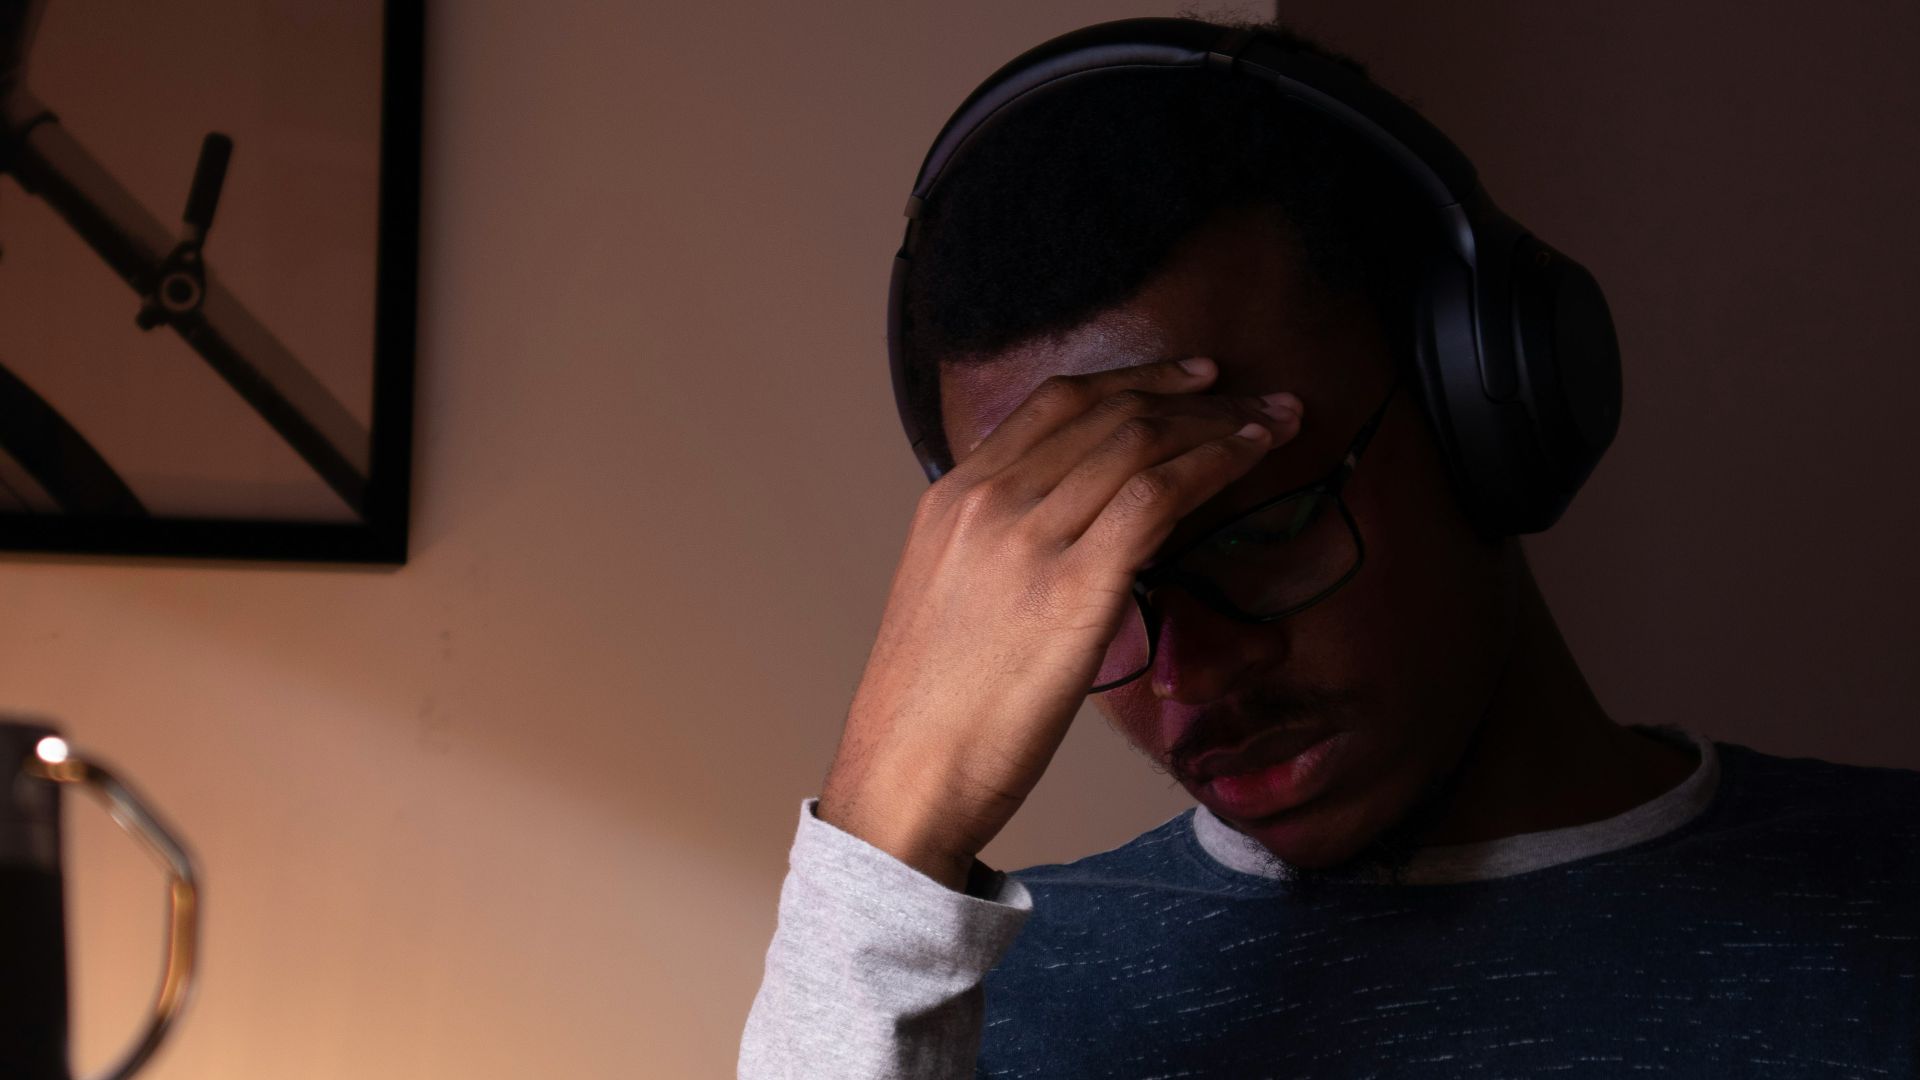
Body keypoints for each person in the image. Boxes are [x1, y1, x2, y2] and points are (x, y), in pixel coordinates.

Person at [740, 16, 1920, 1078]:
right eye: (1094, 596)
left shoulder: (1884, 909)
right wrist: (883, 846)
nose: (1188, 677)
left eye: (1261, 529)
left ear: (1487, 406)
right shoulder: (958, 1016)